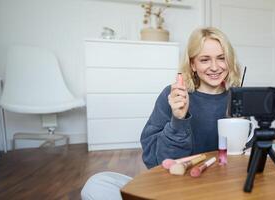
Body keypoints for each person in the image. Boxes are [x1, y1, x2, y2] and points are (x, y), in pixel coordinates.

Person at [81, 27, 242, 200]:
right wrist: (178, 120)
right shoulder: (173, 95)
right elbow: (156, 162)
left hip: (221, 188)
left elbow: (247, 159)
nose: (215, 67)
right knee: (97, 184)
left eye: (221, 58)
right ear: (193, 64)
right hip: (175, 188)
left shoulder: (239, 98)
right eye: (204, 60)